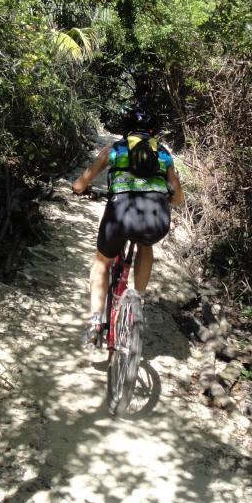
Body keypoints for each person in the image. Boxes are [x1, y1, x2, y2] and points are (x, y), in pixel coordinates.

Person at [71, 107, 184, 346]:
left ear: (127, 130)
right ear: (154, 132)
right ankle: (138, 300)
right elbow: (178, 197)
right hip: (156, 218)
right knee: (146, 244)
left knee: (102, 261)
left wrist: (78, 188)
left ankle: (95, 321)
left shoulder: (114, 149)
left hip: (119, 214)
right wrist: (166, 198)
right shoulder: (164, 155)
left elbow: (82, 183)